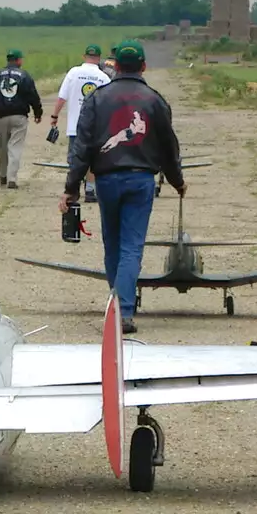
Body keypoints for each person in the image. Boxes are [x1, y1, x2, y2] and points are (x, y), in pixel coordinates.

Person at [61, 39, 185, 335]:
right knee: (132, 245)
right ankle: (124, 310)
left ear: (114, 66)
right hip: (141, 180)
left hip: (106, 179)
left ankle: (117, 303)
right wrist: (177, 181)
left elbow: (83, 146)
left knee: (113, 243)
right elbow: (169, 147)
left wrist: (71, 187)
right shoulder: (155, 100)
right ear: (144, 66)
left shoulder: (98, 98)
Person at [50, 43, 112, 202]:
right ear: (98, 58)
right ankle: (90, 191)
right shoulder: (104, 77)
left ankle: (73, 190)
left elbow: (62, 97)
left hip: (75, 126)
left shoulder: (73, 72)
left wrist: (54, 116)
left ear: (84, 57)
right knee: (92, 159)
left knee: (75, 159)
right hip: (95, 127)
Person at [0, 48, 42, 189]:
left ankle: (2, 175)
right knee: (15, 147)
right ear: (19, 60)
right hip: (19, 116)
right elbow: (33, 95)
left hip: (0, 116)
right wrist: (38, 112)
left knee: (2, 147)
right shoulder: (24, 75)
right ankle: (12, 178)